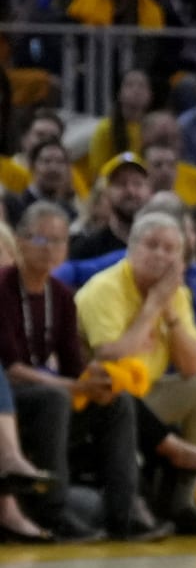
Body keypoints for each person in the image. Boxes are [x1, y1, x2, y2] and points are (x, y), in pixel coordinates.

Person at [0, 203, 171, 541]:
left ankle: (125, 514)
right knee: (55, 399)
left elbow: (73, 367)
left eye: (60, 241)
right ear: (20, 242)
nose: (50, 249)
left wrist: (95, 379)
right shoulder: (2, 287)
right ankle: (55, 513)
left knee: (116, 402)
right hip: (12, 398)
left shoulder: (62, 296)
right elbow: (10, 368)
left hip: (49, 392)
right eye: (41, 239)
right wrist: (70, 387)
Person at [73, 212, 196, 533]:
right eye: (152, 245)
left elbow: (193, 366)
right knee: (121, 389)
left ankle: (185, 502)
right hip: (101, 395)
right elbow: (109, 355)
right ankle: (164, 467)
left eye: (170, 249)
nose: (160, 255)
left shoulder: (178, 294)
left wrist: (170, 314)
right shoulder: (105, 288)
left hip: (150, 391)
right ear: (131, 248)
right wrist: (153, 305)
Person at [69, 153, 151, 261]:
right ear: (107, 193)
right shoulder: (86, 249)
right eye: (121, 183)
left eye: (137, 183)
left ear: (149, 191)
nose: (130, 191)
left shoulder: (163, 246)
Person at [2, 137, 74, 223]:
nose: (53, 168)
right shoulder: (14, 206)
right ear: (32, 166)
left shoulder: (71, 213)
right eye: (46, 161)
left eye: (60, 162)